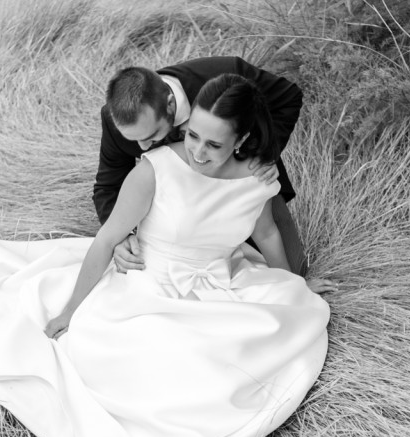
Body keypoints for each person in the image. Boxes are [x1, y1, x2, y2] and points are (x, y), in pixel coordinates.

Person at [0, 74, 333, 437]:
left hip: (217, 284)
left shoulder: (256, 179)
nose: (196, 151)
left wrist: (289, 284)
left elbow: (268, 232)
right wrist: (69, 312)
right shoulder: (156, 170)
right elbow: (107, 240)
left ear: (242, 140)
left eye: (213, 144)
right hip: (145, 283)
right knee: (154, 368)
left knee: (258, 344)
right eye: (192, 135)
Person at [95, 56, 309, 276]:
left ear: (170, 105)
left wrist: (263, 154)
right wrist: (123, 237)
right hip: (176, 215)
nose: (141, 146)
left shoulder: (228, 76)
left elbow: (288, 98)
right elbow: (107, 186)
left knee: (296, 273)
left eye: (151, 136)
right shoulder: (119, 119)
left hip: (240, 189)